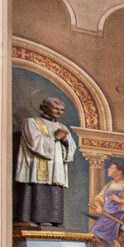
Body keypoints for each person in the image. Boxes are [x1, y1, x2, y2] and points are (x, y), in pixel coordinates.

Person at [13, 96, 76, 228]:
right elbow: (34, 142)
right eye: (56, 108)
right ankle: (33, 219)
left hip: (56, 167)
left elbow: (71, 148)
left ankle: (53, 220)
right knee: (37, 190)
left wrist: (65, 141)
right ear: (45, 108)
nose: (59, 112)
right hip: (36, 165)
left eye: (62, 110)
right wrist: (55, 137)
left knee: (54, 191)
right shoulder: (31, 122)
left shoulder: (62, 126)